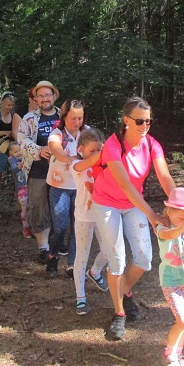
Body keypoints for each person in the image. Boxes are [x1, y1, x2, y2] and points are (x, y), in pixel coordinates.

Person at [91, 96, 176, 341]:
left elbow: (165, 177)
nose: (145, 125)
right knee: (117, 260)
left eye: (148, 121)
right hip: (107, 203)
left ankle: (123, 292)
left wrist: (180, 205)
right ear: (126, 120)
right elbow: (126, 185)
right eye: (140, 121)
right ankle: (119, 312)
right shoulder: (113, 145)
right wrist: (152, 215)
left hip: (132, 203)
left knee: (144, 259)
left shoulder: (151, 144)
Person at [153, 187, 184, 366]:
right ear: (169, 211)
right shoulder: (162, 228)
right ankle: (169, 354)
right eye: (181, 217)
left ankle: (179, 353)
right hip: (170, 281)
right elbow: (169, 235)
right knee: (182, 320)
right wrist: (183, 227)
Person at [18, 81, 61, 263]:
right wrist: (39, 150)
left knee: (60, 207)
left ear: (54, 96)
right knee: (38, 207)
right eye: (41, 96)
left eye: (47, 95)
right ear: (36, 99)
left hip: (62, 172)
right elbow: (22, 139)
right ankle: (43, 248)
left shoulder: (64, 115)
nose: (45, 99)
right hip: (38, 170)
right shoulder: (29, 118)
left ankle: (58, 241)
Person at [69, 127, 110, 315]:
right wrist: (106, 152)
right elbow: (88, 163)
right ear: (80, 149)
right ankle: (80, 296)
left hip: (103, 215)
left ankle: (94, 272)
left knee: (109, 252)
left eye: (98, 150)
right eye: (92, 150)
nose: (95, 154)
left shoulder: (105, 165)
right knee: (82, 256)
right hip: (84, 217)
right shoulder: (76, 165)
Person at [45, 99, 85, 279]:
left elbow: (99, 148)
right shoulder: (57, 133)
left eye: (80, 118)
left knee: (78, 227)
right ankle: (53, 255)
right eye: (73, 118)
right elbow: (56, 150)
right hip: (59, 187)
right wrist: (72, 159)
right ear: (64, 117)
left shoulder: (87, 133)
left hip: (80, 188)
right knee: (60, 228)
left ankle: (72, 264)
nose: (77, 122)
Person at [0, 91, 22, 219]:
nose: (10, 107)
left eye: (12, 105)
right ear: (2, 103)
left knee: (17, 177)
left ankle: (18, 208)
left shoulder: (13, 115)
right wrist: (6, 132)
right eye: (8, 104)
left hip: (11, 150)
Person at [8, 142, 31, 238]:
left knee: (31, 207)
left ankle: (32, 226)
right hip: (21, 188)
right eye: (15, 151)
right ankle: (25, 227)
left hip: (30, 186)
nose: (18, 153)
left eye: (19, 150)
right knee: (24, 208)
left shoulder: (26, 157)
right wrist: (19, 166)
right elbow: (13, 170)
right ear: (11, 153)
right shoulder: (13, 160)